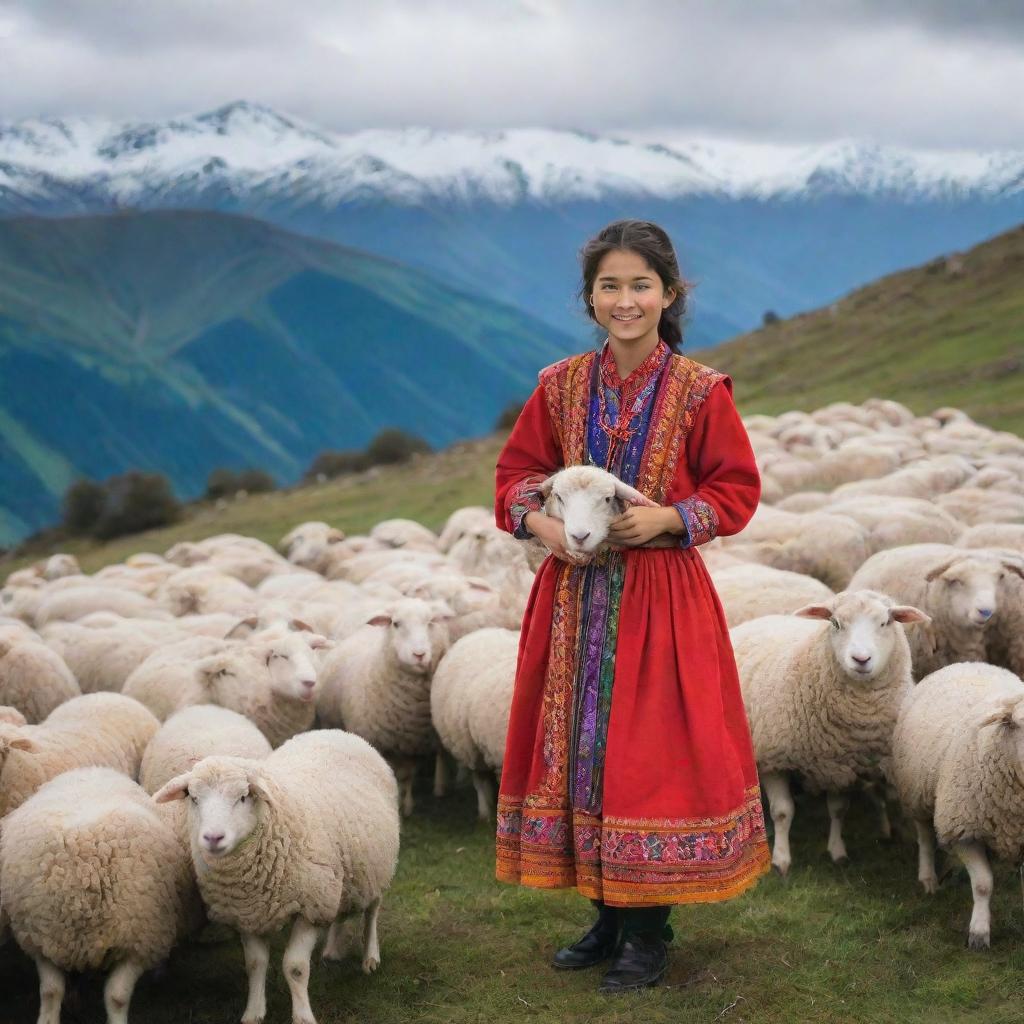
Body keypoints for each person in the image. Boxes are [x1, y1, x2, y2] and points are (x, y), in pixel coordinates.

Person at [493, 219, 770, 993]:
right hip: (574, 597)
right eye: (609, 286)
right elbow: (515, 477)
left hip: (661, 601)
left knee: (649, 758)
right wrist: (543, 524)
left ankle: (649, 932)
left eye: (640, 285)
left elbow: (736, 489)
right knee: (580, 755)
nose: (625, 300)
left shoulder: (701, 392)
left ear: (669, 294)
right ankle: (606, 916)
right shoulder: (558, 387)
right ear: (589, 300)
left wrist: (669, 519)